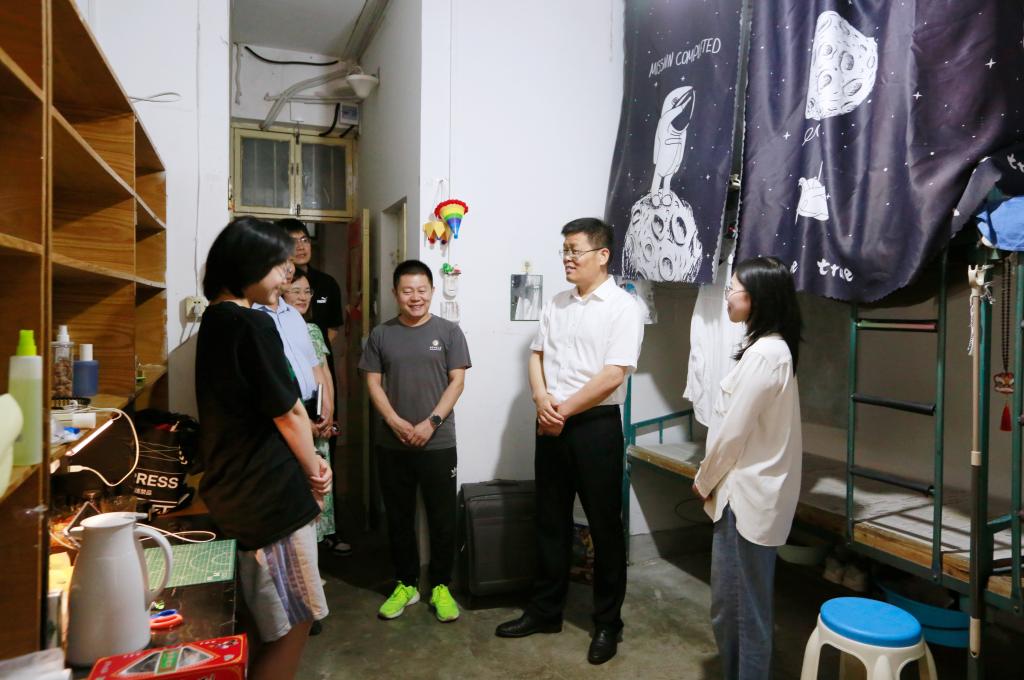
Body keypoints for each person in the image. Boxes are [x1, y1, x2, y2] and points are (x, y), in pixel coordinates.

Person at [495, 218, 643, 665]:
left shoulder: (623, 307)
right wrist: (542, 400)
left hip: (595, 426)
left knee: (604, 527)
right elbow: (536, 354)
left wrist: (563, 411)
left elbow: (613, 374)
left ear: (602, 255)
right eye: (564, 250)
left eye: (575, 250)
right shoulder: (557, 303)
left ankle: (608, 623)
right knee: (550, 520)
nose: (567, 258)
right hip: (550, 421)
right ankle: (545, 611)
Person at [195, 216, 331, 680]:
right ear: (248, 265)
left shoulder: (215, 320)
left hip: (237, 491)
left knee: (262, 622)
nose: (284, 278)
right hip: (268, 497)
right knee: (294, 620)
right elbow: (288, 412)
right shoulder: (251, 323)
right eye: (277, 267)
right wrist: (316, 471)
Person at [691, 256, 803, 680]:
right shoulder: (768, 350)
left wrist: (704, 480)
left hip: (745, 498)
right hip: (747, 495)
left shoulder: (765, 355)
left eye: (732, 290)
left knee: (739, 610)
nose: (726, 297)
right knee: (738, 606)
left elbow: (732, 434)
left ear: (756, 298)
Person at [359, 259, 471, 623]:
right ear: (395, 293)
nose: (415, 297)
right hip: (392, 443)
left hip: (438, 442)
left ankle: (440, 585)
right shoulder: (381, 335)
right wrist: (394, 421)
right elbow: (373, 383)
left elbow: (457, 381)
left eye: (422, 290)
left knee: (442, 518)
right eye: (407, 291)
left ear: (432, 291)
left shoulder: (449, 331)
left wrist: (431, 423)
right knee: (399, 517)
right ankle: (406, 583)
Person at [282, 269, 343, 551]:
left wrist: (329, 412)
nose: (303, 297)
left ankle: (318, 543)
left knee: (321, 477)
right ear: (282, 293)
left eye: (307, 291)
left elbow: (324, 372)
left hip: (319, 416)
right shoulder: (275, 328)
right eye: (296, 291)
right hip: (293, 419)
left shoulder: (314, 330)